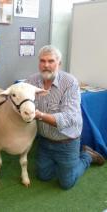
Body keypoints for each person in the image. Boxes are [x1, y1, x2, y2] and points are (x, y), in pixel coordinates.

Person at [26, 45, 105, 190]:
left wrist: (39, 115)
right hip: (44, 141)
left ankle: (87, 156)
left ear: (59, 63)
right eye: (42, 61)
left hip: (66, 142)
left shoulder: (70, 82)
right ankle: (60, 164)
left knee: (66, 183)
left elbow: (68, 118)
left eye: (51, 61)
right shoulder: (31, 81)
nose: (46, 65)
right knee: (43, 176)